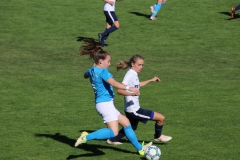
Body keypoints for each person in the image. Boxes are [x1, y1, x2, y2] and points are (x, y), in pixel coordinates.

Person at [74, 38, 152, 156]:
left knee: (126, 123)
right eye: (108, 61)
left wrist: (91, 69)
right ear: (101, 61)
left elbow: (85, 75)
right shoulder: (103, 72)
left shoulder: (92, 70)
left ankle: (140, 149)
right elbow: (114, 84)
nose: (109, 64)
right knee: (113, 132)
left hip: (103, 104)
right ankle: (86, 136)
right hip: (105, 105)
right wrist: (130, 88)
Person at [106, 54, 172, 145]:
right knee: (161, 118)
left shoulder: (134, 73)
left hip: (130, 109)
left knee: (132, 126)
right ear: (132, 64)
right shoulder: (130, 75)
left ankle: (113, 139)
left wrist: (150, 80)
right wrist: (132, 93)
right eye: (139, 65)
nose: (141, 67)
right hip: (134, 110)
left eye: (142, 65)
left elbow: (137, 85)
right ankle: (158, 136)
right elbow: (120, 90)